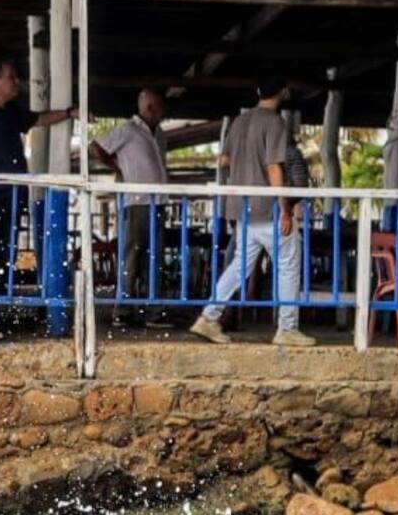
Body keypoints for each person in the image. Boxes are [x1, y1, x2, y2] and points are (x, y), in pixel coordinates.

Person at [0, 56, 75, 343]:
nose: (16, 82)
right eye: (11, 77)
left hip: (9, 198)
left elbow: (40, 119)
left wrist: (69, 113)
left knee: (1, 258)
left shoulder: (10, 112)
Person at [190, 76, 315, 347]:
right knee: (288, 264)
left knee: (239, 266)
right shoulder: (275, 122)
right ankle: (287, 327)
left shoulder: (239, 121)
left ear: (258, 91)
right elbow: (274, 167)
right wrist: (284, 208)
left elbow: (224, 160)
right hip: (267, 207)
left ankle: (209, 317)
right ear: (283, 92)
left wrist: (245, 166)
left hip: (242, 208)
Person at [91, 88, 170, 328]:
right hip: (137, 202)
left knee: (155, 259)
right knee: (132, 256)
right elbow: (96, 147)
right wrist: (118, 168)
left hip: (157, 201)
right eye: (161, 106)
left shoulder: (158, 134)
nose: (164, 111)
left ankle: (153, 311)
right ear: (150, 108)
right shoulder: (128, 130)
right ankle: (123, 309)